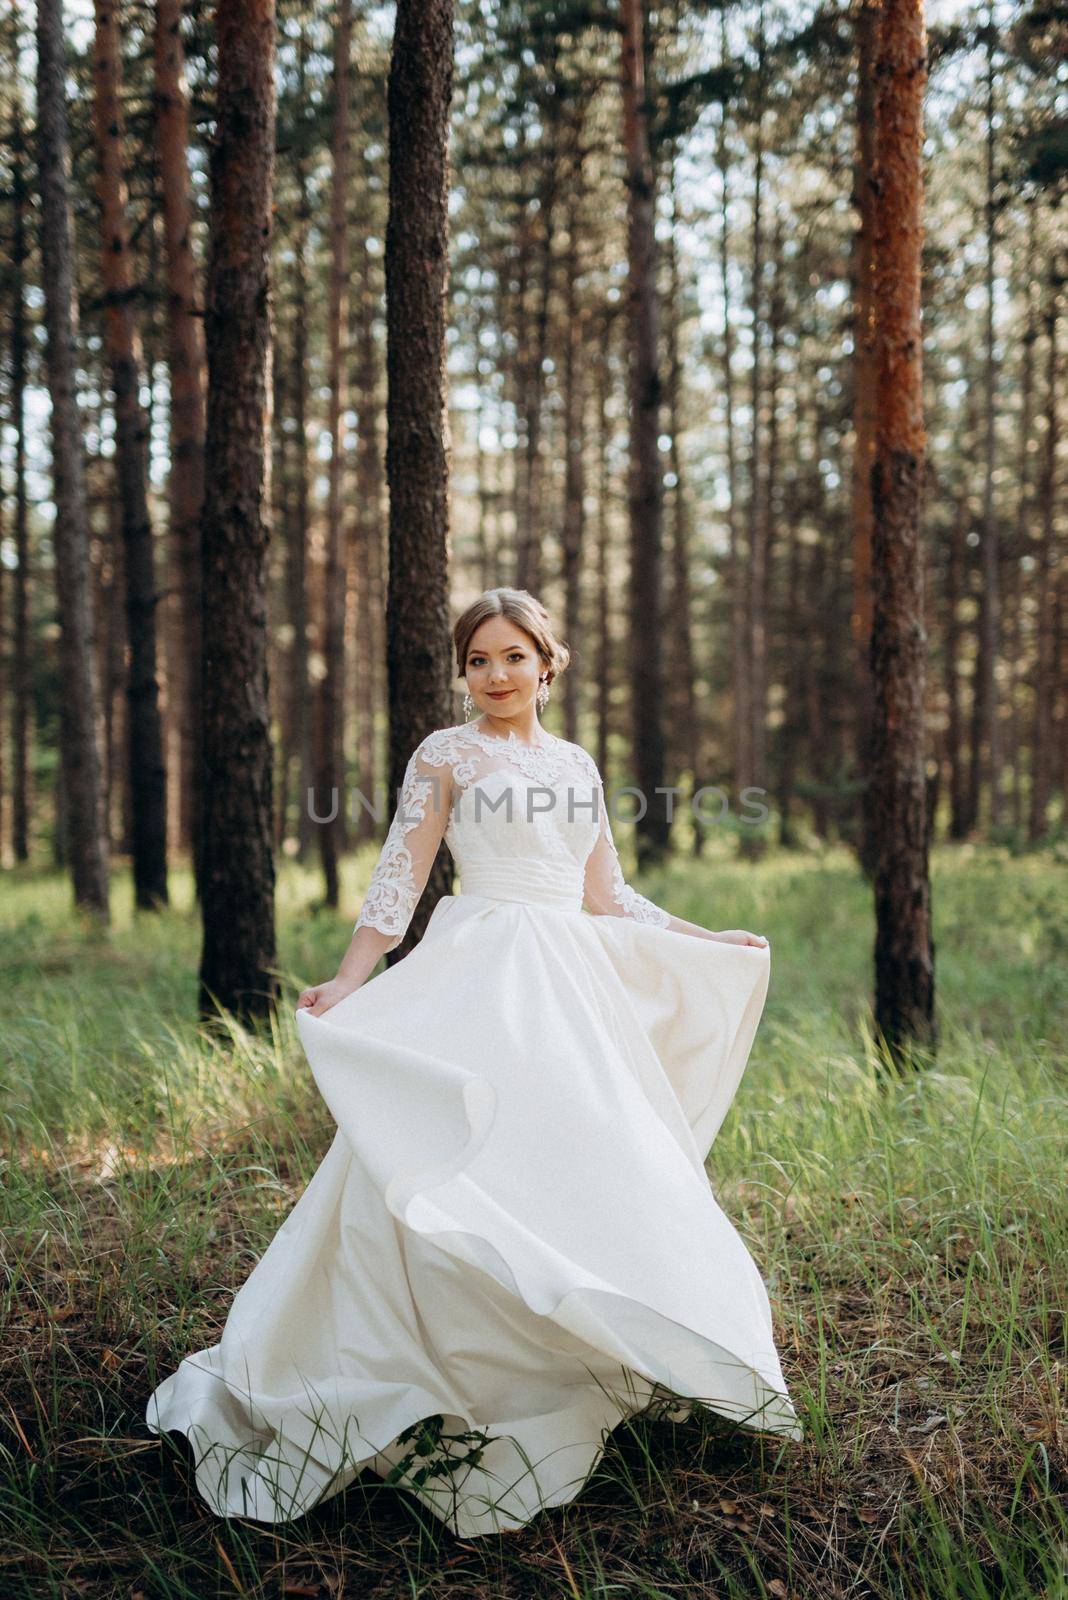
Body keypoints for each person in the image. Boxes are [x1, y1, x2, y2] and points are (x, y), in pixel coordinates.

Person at [146, 586, 800, 1538]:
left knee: (588, 1154)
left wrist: (709, 937)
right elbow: (401, 874)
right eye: (479, 660)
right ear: (465, 672)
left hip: (569, 984)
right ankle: (438, 1355)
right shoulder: (444, 755)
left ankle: (585, 1342)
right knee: (455, 1148)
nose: (496, 676)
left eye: (513, 657)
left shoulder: (576, 765)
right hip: (481, 968)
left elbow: (608, 896)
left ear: (548, 663)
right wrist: (349, 977)